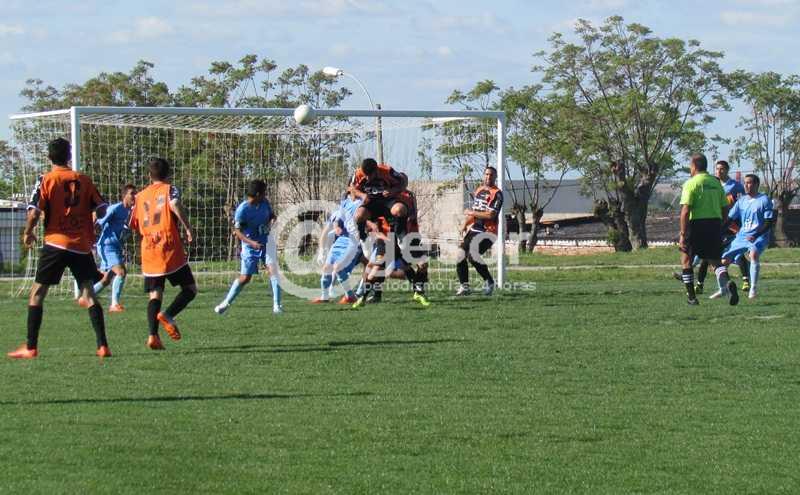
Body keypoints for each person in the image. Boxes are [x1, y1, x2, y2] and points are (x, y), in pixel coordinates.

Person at [7, 138, 111, 359]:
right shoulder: (84, 179)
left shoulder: (46, 179)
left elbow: (34, 212)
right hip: (80, 245)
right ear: (69, 156)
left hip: (56, 243)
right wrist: (88, 219)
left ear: (49, 157)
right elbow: (102, 209)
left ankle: (31, 347)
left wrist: (28, 232)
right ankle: (103, 346)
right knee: (89, 293)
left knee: (37, 293)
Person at [130, 157, 197, 350]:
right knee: (190, 289)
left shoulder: (140, 196)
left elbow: (133, 223)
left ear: (149, 176)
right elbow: (174, 204)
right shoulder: (170, 189)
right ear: (168, 174)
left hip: (149, 249)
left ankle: (153, 336)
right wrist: (188, 227)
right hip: (169, 247)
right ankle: (168, 315)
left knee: (155, 294)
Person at [214, 179, 283, 315]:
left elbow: (272, 216)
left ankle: (277, 306)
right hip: (250, 246)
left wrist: (273, 221)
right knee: (245, 278)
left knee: (273, 270)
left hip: (266, 242)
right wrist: (252, 243)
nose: (265, 195)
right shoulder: (242, 210)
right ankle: (225, 303)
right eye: (264, 193)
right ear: (257, 194)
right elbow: (237, 232)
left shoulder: (264, 203)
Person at [678, 153, 738, 306]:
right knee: (715, 261)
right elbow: (725, 207)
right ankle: (728, 283)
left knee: (686, 259)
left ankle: (692, 297)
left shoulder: (691, 183)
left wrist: (683, 234)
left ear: (694, 166)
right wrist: (720, 223)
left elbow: (685, 211)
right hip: (714, 224)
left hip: (696, 225)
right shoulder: (716, 183)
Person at [77, 184, 136, 312]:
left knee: (106, 279)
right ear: (124, 195)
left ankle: (85, 297)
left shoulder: (132, 211)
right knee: (121, 272)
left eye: (135, 193)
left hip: (116, 247)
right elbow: (98, 223)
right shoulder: (115, 208)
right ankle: (114, 305)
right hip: (107, 246)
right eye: (131, 193)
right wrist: (87, 237)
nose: (134, 196)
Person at [694, 160, 749, 293]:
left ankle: (746, 281)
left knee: (736, 252)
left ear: (727, 170)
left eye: (722, 169)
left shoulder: (735, 186)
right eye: (717, 169)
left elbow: (741, 204)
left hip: (731, 224)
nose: (719, 171)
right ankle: (699, 284)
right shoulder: (712, 184)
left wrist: (738, 223)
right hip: (716, 224)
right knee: (708, 254)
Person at [716, 174, 773, 300]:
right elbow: (729, 219)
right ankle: (722, 289)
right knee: (723, 261)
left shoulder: (764, 200)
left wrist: (756, 235)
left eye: (749, 183)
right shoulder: (741, 201)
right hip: (742, 236)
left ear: (756, 185)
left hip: (759, 236)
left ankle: (753, 289)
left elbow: (769, 222)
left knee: (753, 255)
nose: (746, 185)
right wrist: (718, 234)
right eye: (745, 183)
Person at [455, 166, 503, 296]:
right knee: (460, 255)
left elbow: (491, 215)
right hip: (475, 229)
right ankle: (464, 287)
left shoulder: (497, 194)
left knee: (472, 256)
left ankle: (489, 282)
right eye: (486, 174)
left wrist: (471, 212)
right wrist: (465, 224)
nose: (488, 177)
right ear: (483, 175)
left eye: (491, 175)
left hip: (488, 232)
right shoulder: (479, 190)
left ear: (495, 177)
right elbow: (475, 212)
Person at [312, 191, 363, 304]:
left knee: (338, 268)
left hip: (353, 242)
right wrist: (321, 252)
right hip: (340, 242)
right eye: (344, 201)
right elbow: (325, 233)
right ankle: (325, 297)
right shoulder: (336, 214)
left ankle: (352, 295)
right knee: (327, 268)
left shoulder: (359, 208)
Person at [349, 158, 408, 240]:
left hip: (388, 201)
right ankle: (363, 238)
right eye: (366, 175)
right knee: (359, 215)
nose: (368, 178)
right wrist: (362, 195)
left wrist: (392, 191)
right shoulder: (358, 173)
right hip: (371, 203)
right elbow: (351, 189)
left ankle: (400, 234)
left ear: (376, 170)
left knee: (400, 209)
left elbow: (403, 182)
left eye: (370, 175)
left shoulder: (387, 171)